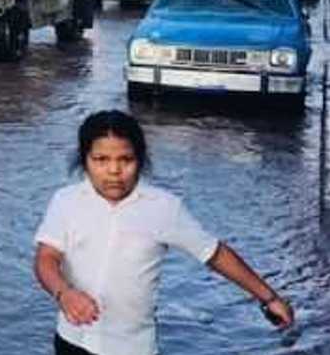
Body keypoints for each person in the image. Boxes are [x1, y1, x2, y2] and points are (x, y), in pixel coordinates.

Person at [34, 111, 294, 355]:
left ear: (141, 159)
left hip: (132, 348)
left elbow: (215, 254)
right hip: (70, 340)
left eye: (126, 159)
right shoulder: (66, 201)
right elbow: (46, 258)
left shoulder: (164, 208)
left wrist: (269, 298)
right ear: (85, 159)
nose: (114, 171)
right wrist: (64, 293)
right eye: (101, 160)